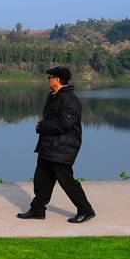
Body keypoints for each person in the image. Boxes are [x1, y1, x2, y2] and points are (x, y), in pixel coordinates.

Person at [17, 66, 96, 223]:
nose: (48, 80)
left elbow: (64, 124)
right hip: (49, 146)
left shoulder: (69, 99)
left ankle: (86, 210)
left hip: (62, 148)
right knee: (41, 179)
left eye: (50, 78)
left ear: (58, 80)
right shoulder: (54, 96)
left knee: (66, 181)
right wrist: (44, 126)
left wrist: (42, 126)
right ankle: (38, 210)